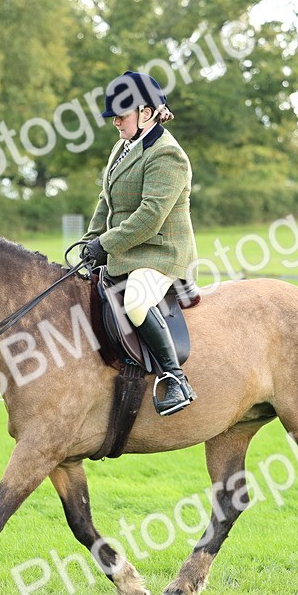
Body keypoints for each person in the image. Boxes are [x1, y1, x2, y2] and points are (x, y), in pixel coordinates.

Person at [77, 71, 199, 416]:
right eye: (113, 115)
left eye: (122, 115)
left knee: (134, 302)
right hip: (126, 249)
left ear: (146, 113)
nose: (115, 122)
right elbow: (107, 201)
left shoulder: (167, 155)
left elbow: (150, 215)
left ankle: (175, 379)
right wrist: (89, 240)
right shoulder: (123, 147)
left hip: (161, 253)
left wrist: (106, 243)